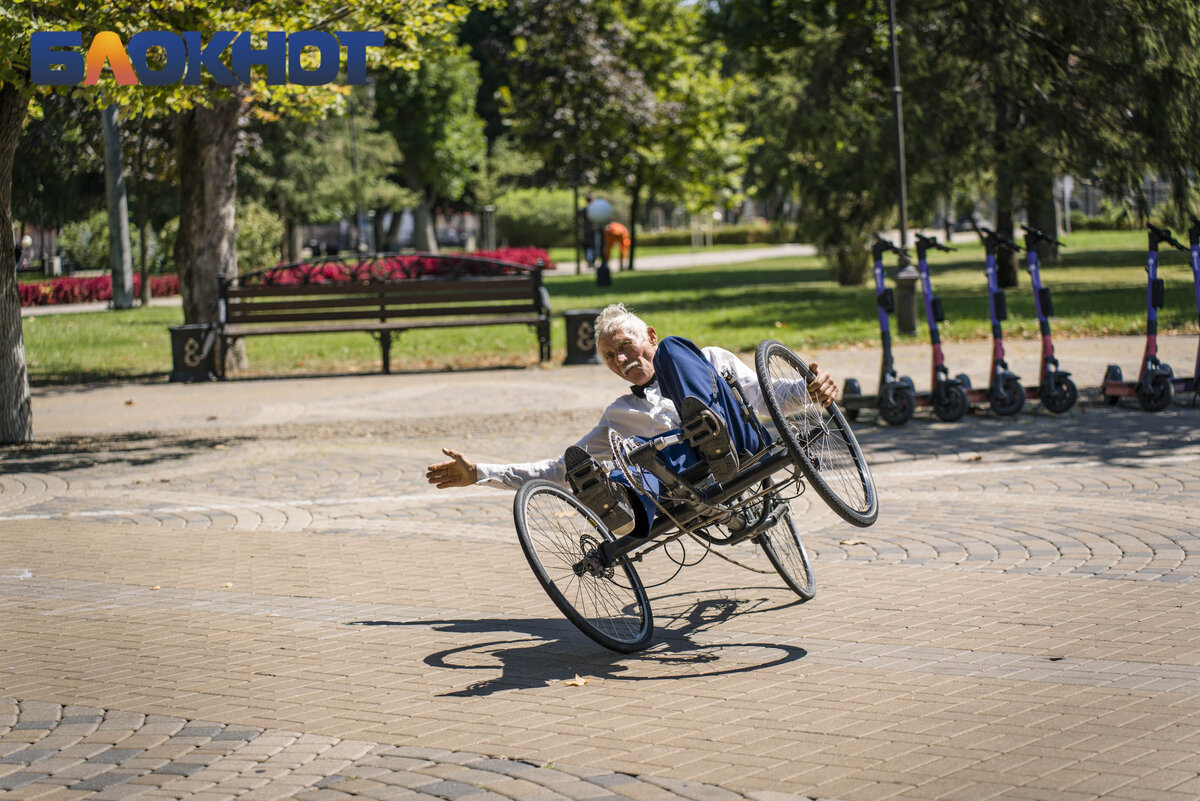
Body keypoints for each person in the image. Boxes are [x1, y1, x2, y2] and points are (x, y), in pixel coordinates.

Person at [426, 303, 836, 536]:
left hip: (738, 442)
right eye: (610, 357)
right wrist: (479, 472)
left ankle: (712, 436)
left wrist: (810, 389)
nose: (621, 360)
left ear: (649, 337)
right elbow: (558, 468)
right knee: (628, 462)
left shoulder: (705, 358)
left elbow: (763, 395)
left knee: (677, 351)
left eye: (626, 346)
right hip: (685, 480)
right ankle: (623, 506)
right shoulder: (621, 414)